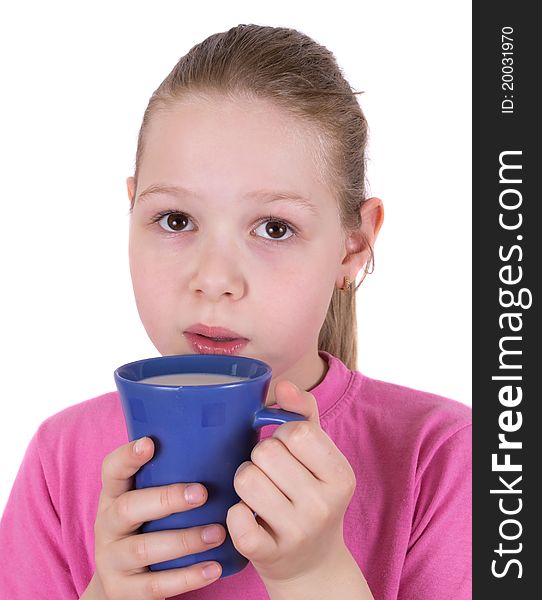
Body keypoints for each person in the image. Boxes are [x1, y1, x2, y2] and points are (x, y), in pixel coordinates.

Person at [0, 24, 471, 600]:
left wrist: (315, 575)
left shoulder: (444, 457)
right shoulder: (61, 458)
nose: (214, 280)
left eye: (274, 228)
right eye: (176, 220)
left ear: (352, 247)